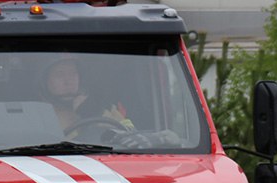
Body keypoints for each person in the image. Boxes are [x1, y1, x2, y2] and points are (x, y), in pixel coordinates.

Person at [40, 54, 178, 149]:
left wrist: (90, 113)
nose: (68, 80)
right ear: (45, 81)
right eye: (60, 74)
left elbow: (130, 132)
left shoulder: (104, 109)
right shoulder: (40, 115)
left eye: (73, 73)